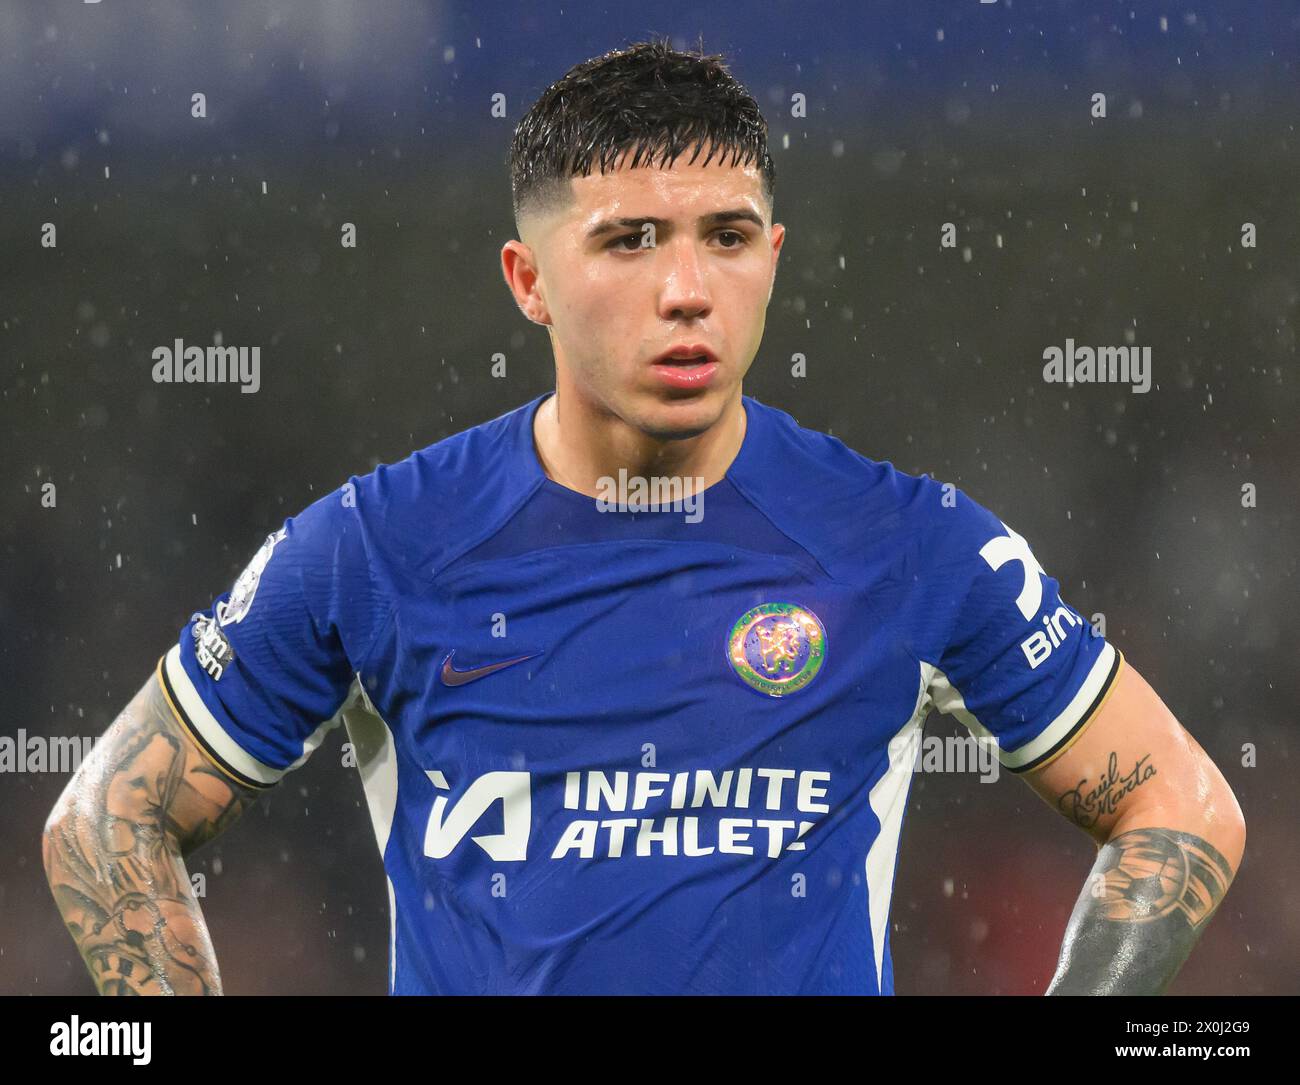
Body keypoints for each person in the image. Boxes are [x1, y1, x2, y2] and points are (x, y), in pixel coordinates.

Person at [42, 38, 1244, 996]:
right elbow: (105, 818)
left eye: (725, 238)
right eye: (628, 241)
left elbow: (1181, 803)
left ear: (771, 256)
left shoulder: (908, 542)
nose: (686, 289)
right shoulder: (376, 547)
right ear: (529, 282)